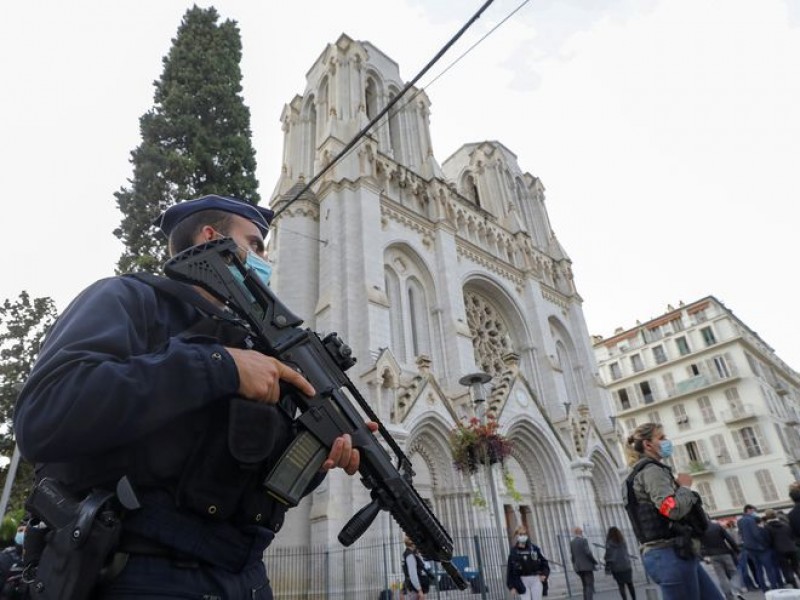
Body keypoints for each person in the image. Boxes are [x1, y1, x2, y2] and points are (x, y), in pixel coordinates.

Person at [14, 195, 375, 599]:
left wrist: (318, 458)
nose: (264, 259)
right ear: (212, 237)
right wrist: (221, 367)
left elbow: (252, 486)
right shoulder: (130, 299)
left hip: (245, 578)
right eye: (255, 244)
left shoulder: (257, 348)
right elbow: (44, 414)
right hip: (138, 572)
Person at [622, 422, 723, 600]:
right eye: (661, 438)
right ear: (648, 444)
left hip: (673, 553)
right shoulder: (652, 471)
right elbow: (671, 510)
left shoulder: (637, 473)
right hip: (669, 554)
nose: (667, 441)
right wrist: (684, 487)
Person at [739, 504, 781, 591]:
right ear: (749, 510)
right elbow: (756, 534)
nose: (754, 513)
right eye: (754, 511)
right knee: (769, 568)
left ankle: (763, 587)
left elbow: (742, 534)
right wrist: (764, 543)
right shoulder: (751, 520)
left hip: (750, 548)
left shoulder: (740, 521)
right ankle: (774, 586)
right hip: (760, 548)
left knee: (758, 569)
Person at [700, 520, 744, 600]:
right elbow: (728, 538)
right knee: (733, 572)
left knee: (721, 577)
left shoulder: (700, 530)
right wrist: (736, 550)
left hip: (712, 555)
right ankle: (736, 591)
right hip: (724, 552)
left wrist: (704, 555)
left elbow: (700, 545)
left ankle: (729, 596)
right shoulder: (717, 526)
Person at [506, 526, 550, 600]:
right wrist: (511, 586)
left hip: (535, 579)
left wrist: (544, 574)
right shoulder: (514, 552)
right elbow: (510, 570)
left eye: (524, 534)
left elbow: (544, 562)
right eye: (520, 534)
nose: (523, 536)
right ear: (516, 536)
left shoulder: (534, 548)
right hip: (522, 580)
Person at [764, 508, 797, 588]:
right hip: (792, 548)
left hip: (779, 550)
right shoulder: (784, 524)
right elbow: (791, 535)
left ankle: (794, 586)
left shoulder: (767, 527)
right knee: (796, 567)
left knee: (786, 569)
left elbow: (768, 540)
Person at [603, 526, 636, 600]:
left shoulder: (609, 544)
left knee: (621, 586)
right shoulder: (623, 541)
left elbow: (608, 556)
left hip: (616, 567)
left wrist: (606, 563)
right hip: (626, 565)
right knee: (630, 584)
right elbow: (626, 553)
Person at [570, 527, 598, 600]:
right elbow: (588, 552)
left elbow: (572, 556)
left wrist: (574, 565)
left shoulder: (572, 542)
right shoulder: (584, 540)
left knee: (585, 585)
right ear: (581, 533)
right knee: (589, 585)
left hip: (578, 567)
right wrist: (594, 561)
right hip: (586, 566)